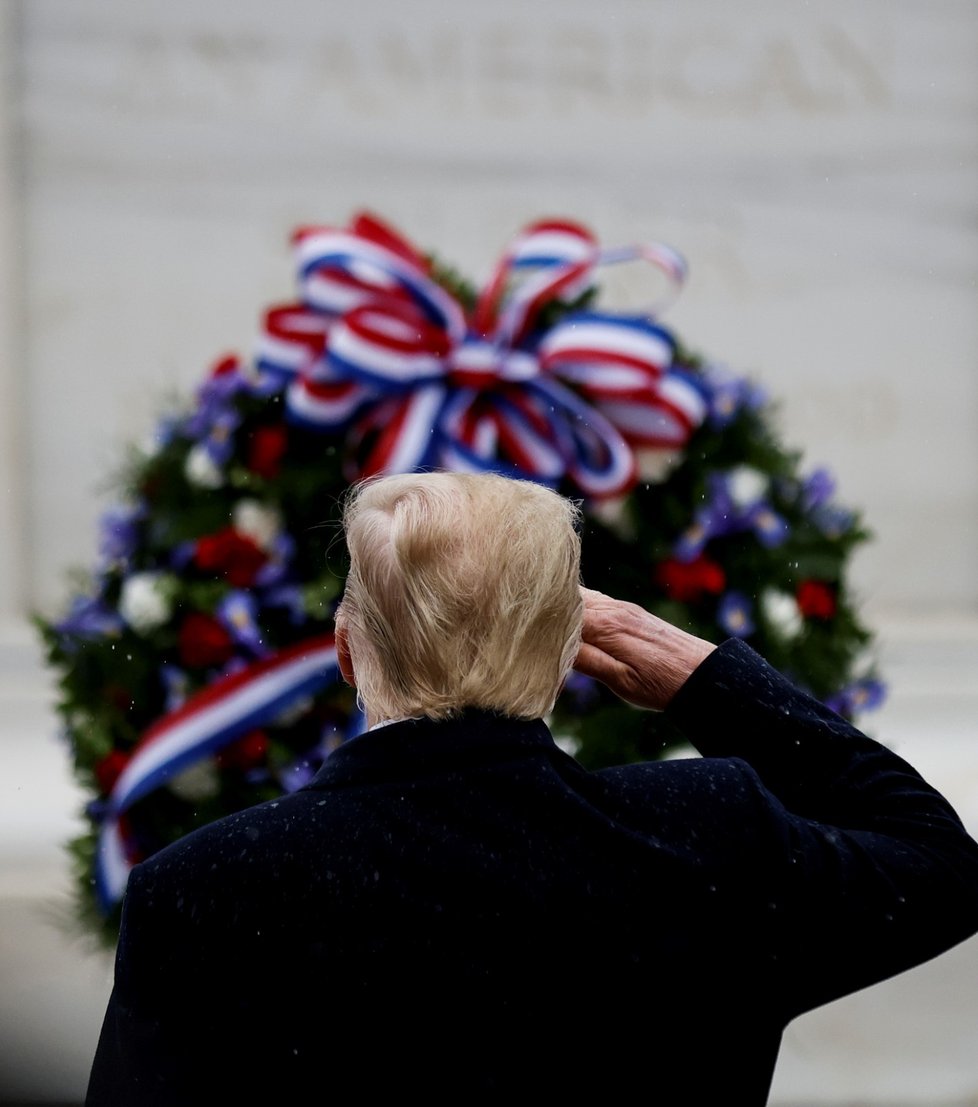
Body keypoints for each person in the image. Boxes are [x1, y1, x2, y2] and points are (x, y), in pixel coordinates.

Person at [87, 471, 978, 1105]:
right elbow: (940, 862)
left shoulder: (205, 890)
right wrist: (706, 679)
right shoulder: (705, 836)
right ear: (568, 660)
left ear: (347, 651)